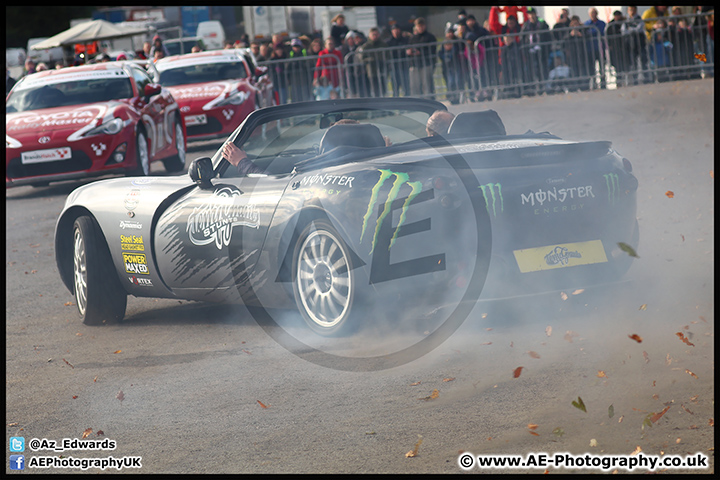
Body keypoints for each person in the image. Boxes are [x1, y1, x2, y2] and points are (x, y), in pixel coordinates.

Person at [521, 7, 551, 95]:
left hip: (541, 50)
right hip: (530, 50)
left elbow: (547, 36)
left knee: (542, 68)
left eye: (532, 13)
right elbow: (522, 37)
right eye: (529, 14)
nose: (531, 16)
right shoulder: (526, 25)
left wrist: (546, 48)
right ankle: (534, 87)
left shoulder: (542, 23)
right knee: (532, 69)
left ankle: (542, 86)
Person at [407, 17, 437, 97]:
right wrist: (408, 52)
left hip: (426, 64)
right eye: (418, 26)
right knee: (415, 86)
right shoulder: (413, 38)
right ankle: (417, 102)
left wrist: (420, 53)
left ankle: (429, 100)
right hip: (414, 64)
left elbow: (433, 50)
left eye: (422, 25)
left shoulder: (430, 37)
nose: (420, 28)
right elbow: (408, 48)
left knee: (426, 85)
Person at [622, 6, 650, 84]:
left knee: (643, 60)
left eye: (634, 10)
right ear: (628, 11)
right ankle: (634, 79)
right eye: (631, 10)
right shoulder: (626, 20)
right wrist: (633, 30)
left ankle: (646, 78)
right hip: (631, 44)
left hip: (640, 43)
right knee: (633, 62)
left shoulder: (639, 18)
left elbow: (640, 28)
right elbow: (624, 30)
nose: (632, 11)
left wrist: (631, 29)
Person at [360, 27, 389, 97]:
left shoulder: (383, 45)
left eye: (376, 34)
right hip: (371, 71)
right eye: (373, 34)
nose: (375, 36)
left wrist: (381, 59)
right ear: (369, 35)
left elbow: (388, 55)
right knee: (375, 89)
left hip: (382, 70)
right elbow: (362, 58)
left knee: (384, 89)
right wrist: (371, 60)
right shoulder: (366, 46)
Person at [438, 28, 463, 104]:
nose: (450, 34)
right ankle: (451, 97)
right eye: (448, 33)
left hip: (456, 66)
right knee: (450, 82)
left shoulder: (457, 42)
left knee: (457, 81)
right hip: (448, 68)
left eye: (451, 33)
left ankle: (458, 97)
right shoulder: (443, 44)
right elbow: (440, 54)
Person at [584, 7, 607, 89]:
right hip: (590, 49)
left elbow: (601, 32)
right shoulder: (586, 24)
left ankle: (603, 83)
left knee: (602, 67)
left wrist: (592, 32)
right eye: (591, 13)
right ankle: (594, 83)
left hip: (600, 48)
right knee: (591, 67)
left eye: (594, 13)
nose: (593, 15)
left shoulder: (602, 23)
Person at [606, 10, 630, 86]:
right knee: (617, 66)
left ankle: (627, 81)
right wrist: (609, 45)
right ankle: (619, 81)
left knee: (626, 64)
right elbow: (607, 36)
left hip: (624, 47)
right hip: (615, 48)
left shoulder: (624, 22)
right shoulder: (611, 25)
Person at [386, 23, 410, 97]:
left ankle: (407, 101)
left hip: (404, 66)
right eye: (394, 30)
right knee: (395, 86)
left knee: (405, 86)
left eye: (397, 29)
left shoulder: (405, 40)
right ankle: (396, 103)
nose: (396, 31)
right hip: (394, 67)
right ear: (392, 31)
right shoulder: (388, 42)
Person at [342, 31, 366, 97]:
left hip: (357, 69)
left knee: (359, 83)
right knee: (350, 83)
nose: (351, 41)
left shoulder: (357, 47)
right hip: (348, 69)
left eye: (352, 39)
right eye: (349, 39)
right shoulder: (344, 48)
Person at [287, 38, 311, 102]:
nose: (296, 48)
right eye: (294, 46)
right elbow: (287, 67)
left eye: (297, 46)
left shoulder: (304, 53)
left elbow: (309, 64)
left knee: (305, 96)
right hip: (294, 79)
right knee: (295, 97)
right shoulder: (290, 54)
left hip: (304, 79)